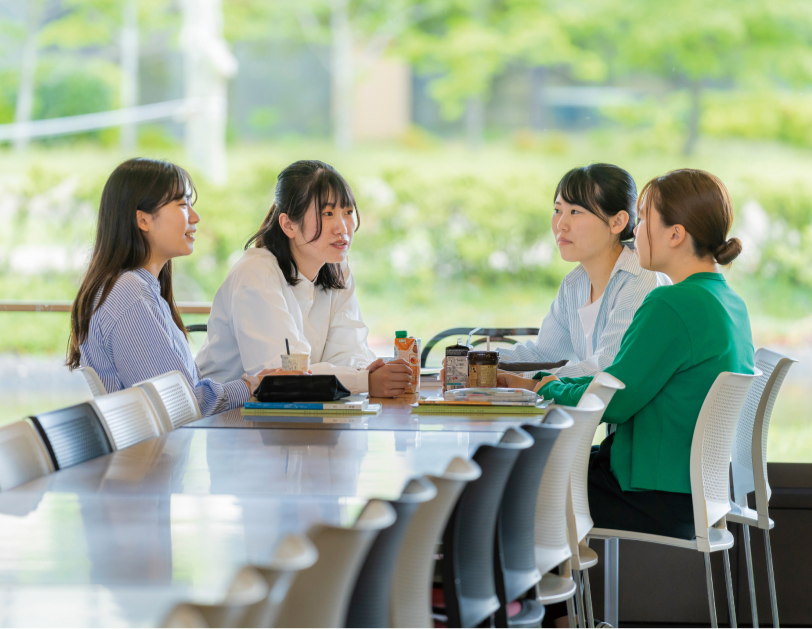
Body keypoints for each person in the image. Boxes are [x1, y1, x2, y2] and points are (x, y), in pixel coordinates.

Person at [502, 168, 755, 541]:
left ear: (675, 234)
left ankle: (521, 600)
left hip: (654, 497)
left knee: (507, 485)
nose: (634, 232)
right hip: (692, 492)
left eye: (643, 219)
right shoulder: (727, 300)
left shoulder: (671, 303)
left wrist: (543, 385)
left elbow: (614, 399)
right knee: (531, 472)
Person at [67, 158, 281, 417]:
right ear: (143, 220)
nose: (195, 216)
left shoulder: (138, 287)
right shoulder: (128, 293)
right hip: (151, 455)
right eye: (182, 205)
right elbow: (180, 404)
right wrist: (252, 386)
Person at [197, 159, 414, 397]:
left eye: (348, 212)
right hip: (226, 421)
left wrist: (367, 373)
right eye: (328, 213)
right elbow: (282, 377)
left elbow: (349, 352)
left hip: (293, 417)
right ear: (288, 225)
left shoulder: (336, 269)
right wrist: (363, 381)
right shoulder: (256, 273)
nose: (342, 227)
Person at [498, 163, 671, 376]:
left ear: (617, 222)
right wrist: (472, 359)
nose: (561, 224)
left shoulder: (640, 279)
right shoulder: (574, 283)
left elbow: (607, 369)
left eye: (575, 212)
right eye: (557, 210)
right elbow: (544, 355)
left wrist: (528, 381)